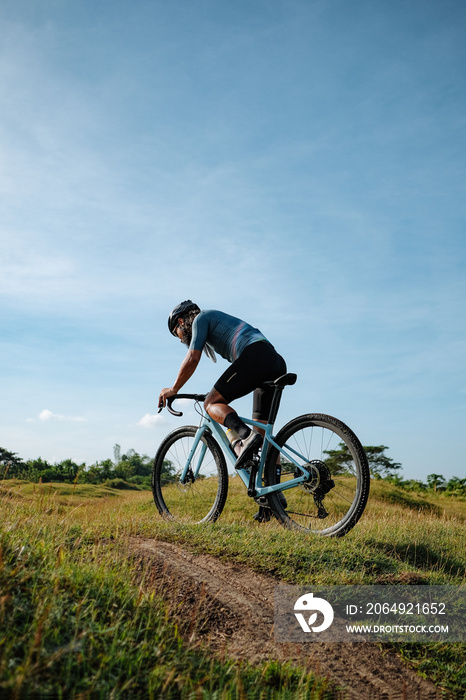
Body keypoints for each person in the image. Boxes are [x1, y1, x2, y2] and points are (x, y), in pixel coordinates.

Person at [158, 300, 287, 469]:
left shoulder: (201, 319)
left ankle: (245, 438)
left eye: (177, 333)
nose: (181, 339)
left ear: (181, 322)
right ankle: (273, 492)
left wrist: (174, 389)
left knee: (210, 403)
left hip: (256, 356)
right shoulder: (213, 321)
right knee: (262, 439)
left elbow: (192, 358)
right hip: (274, 361)